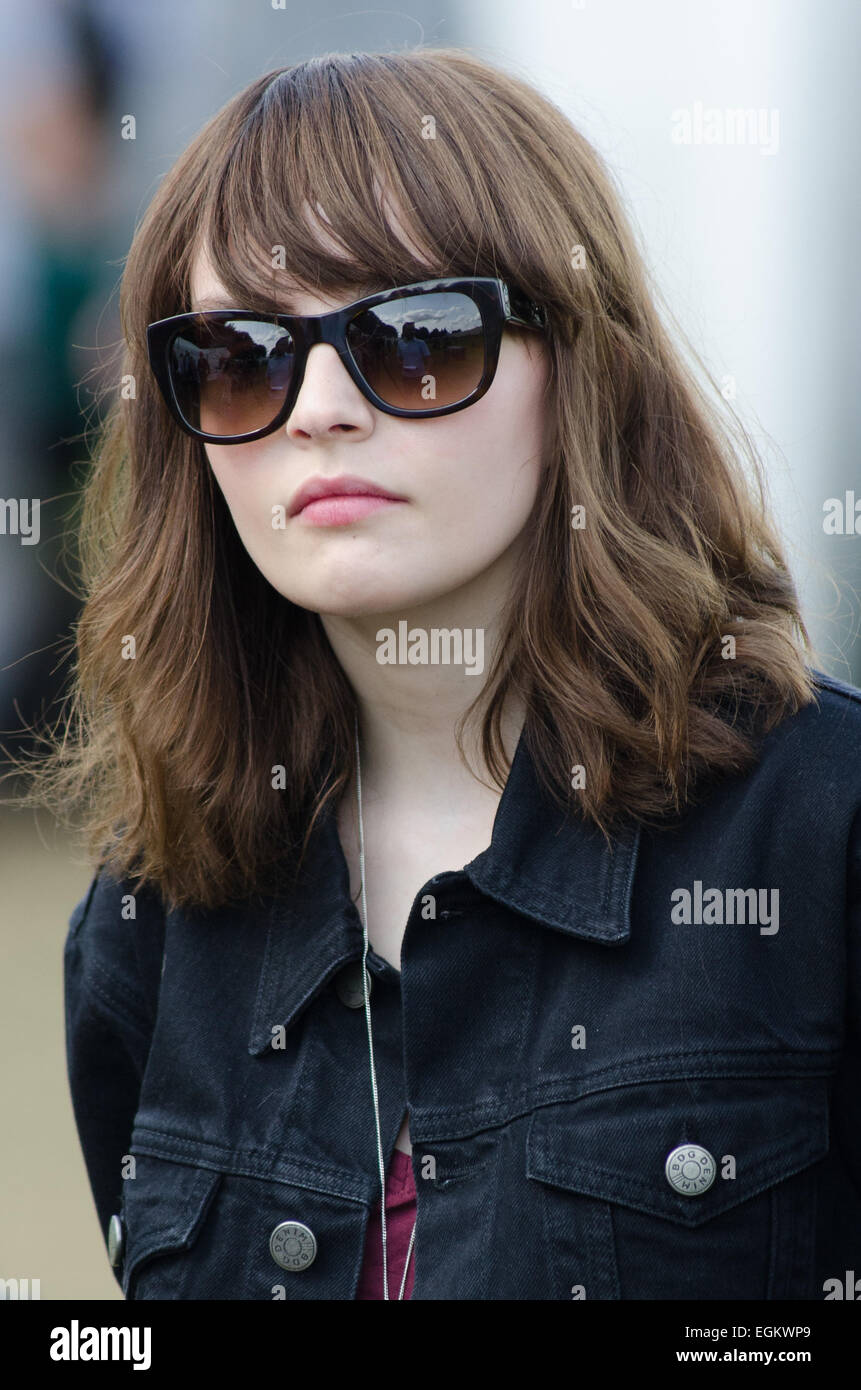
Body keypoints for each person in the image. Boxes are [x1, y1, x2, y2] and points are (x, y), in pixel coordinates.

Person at [20, 47, 861, 1300]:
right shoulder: (148, 920)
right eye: (241, 354)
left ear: (577, 364)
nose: (316, 409)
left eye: (412, 339)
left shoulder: (820, 832)